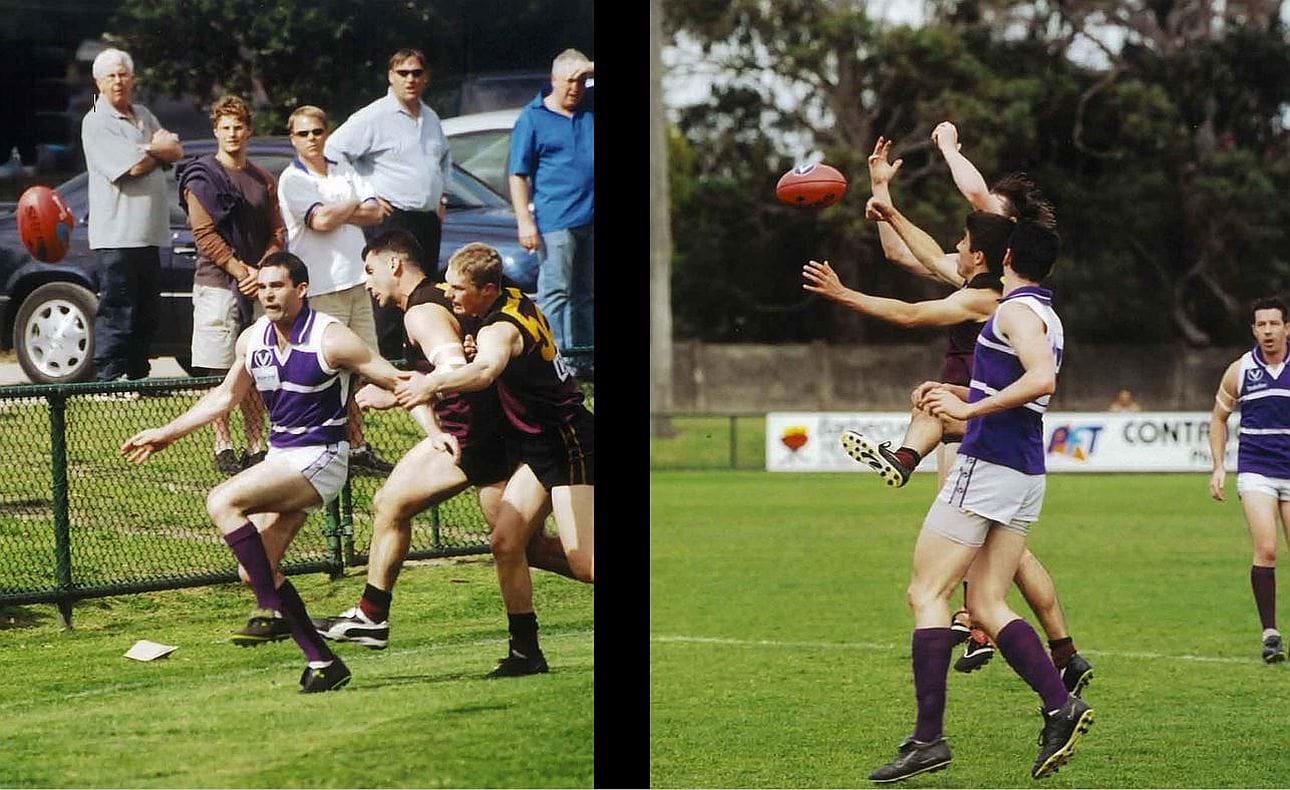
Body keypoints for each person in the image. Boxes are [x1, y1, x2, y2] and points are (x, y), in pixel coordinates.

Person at [120, 252, 441, 692]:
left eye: (278, 286)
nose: (268, 294)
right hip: (281, 458)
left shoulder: (332, 338)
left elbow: (397, 382)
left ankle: (271, 608)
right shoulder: (253, 339)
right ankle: (324, 662)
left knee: (222, 500)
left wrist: (434, 431)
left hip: (323, 459)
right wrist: (166, 433)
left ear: (301, 290)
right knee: (253, 571)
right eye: (263, 287)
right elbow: (224, 398)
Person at [840, 132, 1091, 692]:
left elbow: (968, 211)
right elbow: (907, 253)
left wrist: (950, 149)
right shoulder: (985, 280)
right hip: (993, 434)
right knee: (1006, 555)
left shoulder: (1000, 294)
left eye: (982, 220)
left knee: (963, 559)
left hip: (983, 425)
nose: (972, 216)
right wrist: (884, 196)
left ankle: (973, 627)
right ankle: (1060, 653)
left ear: (1005, 241)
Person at [868, 222, 1095, 783]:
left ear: (1008, 255)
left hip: (989, 465)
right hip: (1023, 471)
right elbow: (1022, 388)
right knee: (989, 603)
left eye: (969, 241)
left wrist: (969, 411)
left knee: (927, 592)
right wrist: (960, 394)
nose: (964, 249)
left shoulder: (1014, 312)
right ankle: (1060, 705)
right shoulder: (1044, 313)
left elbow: (1041, 381)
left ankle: (928, 741)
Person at [310, 229, 574, 655]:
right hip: (488, 432)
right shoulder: (434, 301)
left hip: (470, 435)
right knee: (528, 548)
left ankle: (372, 616)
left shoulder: (422, 313)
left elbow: (451, 364)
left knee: (390, 503)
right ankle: (524, 649)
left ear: (395, 265)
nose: (367, 283)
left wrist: (429, 416)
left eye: (370, 270)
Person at [394, 242, 594, 676]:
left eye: (459, 290)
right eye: (447, 285)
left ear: (487, 290)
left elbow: (485, 371)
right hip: (538, 447)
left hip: (570, 443)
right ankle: (526, 653)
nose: (449, 295)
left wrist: (431, 385)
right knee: (506, 543)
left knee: (585, 564)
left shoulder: (498, 329)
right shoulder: (512, 300)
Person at [278, 104, 395, 475]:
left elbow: (377, 212)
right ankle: (329, 444)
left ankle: (358, 447)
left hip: (356, 281)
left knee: (363, 367)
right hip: (321, 288)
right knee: (327, 369)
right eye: (303, 133)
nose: (312, 139)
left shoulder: (342, 168)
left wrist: (339, 209)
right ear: (292, 138)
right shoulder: (292, 179)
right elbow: (321, 220)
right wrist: (350, 204)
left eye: (317, 131)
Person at [325, 48, 452, 358]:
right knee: (387, 296)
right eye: (403, 73)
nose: (410, 79)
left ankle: (417, 362)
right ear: (390, 76)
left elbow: (444, 159)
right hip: (391, 218)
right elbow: (333, 149)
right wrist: (364, 193)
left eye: (416, 73)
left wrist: (442, 196)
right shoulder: (375, 116)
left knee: (422, 293)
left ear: (426, 77)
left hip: (425, 220)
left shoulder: (431, 117)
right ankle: (386, 366)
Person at [176, 95, 277, 475]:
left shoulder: (263, 178)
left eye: (239, 126)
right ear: (216, 130)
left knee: (256, 366)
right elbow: (205, 234)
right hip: (217, 283)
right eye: (225, 127)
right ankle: (223, 444)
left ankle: (256, 443)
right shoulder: (202, 177)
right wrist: (239, 270)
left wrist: (261, 270)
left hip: (258, 284)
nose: (233, 133)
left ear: (248, 130)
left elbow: (277, 231)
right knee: (218, 369)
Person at [80, 48, 183, 385]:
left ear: (133, 78)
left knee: (147, 311)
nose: (118, 81)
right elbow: (133, 169)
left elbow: (176, 150)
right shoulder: (96, 119)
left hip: (150, 233)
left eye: (123, 73)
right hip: (116, 236)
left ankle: (137, 376)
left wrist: (153, 151)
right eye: (110, 75)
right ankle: (110, 378)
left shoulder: (143, 114)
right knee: (118, 309)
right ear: (98, 82)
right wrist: (156, 151)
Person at [1208, 296, 1290, 663]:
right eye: (1262, 325)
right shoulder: (1240, 370)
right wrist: (1218, 466)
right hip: (1257, 470)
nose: (1268, 331)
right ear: (1254, 330)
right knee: (1268, 549)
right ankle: (1270, 633)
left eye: (1275, 324)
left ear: (1287, 328)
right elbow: (1218, 419)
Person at [508, 49, 595, 374]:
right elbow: (517, 174)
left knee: (585, 295)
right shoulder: (532, 118)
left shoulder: (589, 105)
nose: (575, 87)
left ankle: (583, 361)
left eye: (582, 80)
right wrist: (524, 221)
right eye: (569, 80)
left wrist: (586, 67)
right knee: (556, 293)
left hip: (591, 218)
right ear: (553, 80)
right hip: (556, 219)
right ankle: (553, 361)